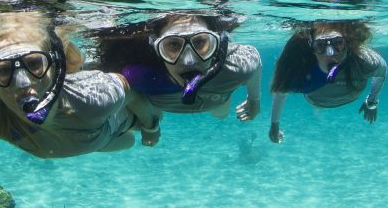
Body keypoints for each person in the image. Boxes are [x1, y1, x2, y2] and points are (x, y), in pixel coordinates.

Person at [0, 11, 155, 158]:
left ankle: (85, 66)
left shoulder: (91, 101)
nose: (22, 83)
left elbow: (132, 92)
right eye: (4, 71)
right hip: (94, 140)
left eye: (34, 64)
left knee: (141, 126)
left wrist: (151, 128)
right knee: (127, 142)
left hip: (106, 127)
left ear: (55, 65)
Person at [94, 12, 262, 146]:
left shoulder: (235, 67)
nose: (189, 61)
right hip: (165, 102)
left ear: (217, 43)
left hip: (218, 101)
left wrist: (254, 99)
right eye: (173, 45)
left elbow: (255, 62)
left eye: (200, 42)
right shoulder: (142, 77)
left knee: (221, 115)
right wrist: (150, 126)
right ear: (157, 48)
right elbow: (130, 94)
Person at [268, 20, 386, 143]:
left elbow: (382, 70)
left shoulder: (362, 60)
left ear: (347, 44)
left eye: (338, 43)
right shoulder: (303, 73)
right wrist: (274, 125)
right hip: (317, 101)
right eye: (320, 45)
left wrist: (373, 102)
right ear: (312, 49)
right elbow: (281, 91)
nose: (331, 53)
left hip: (326, 98)